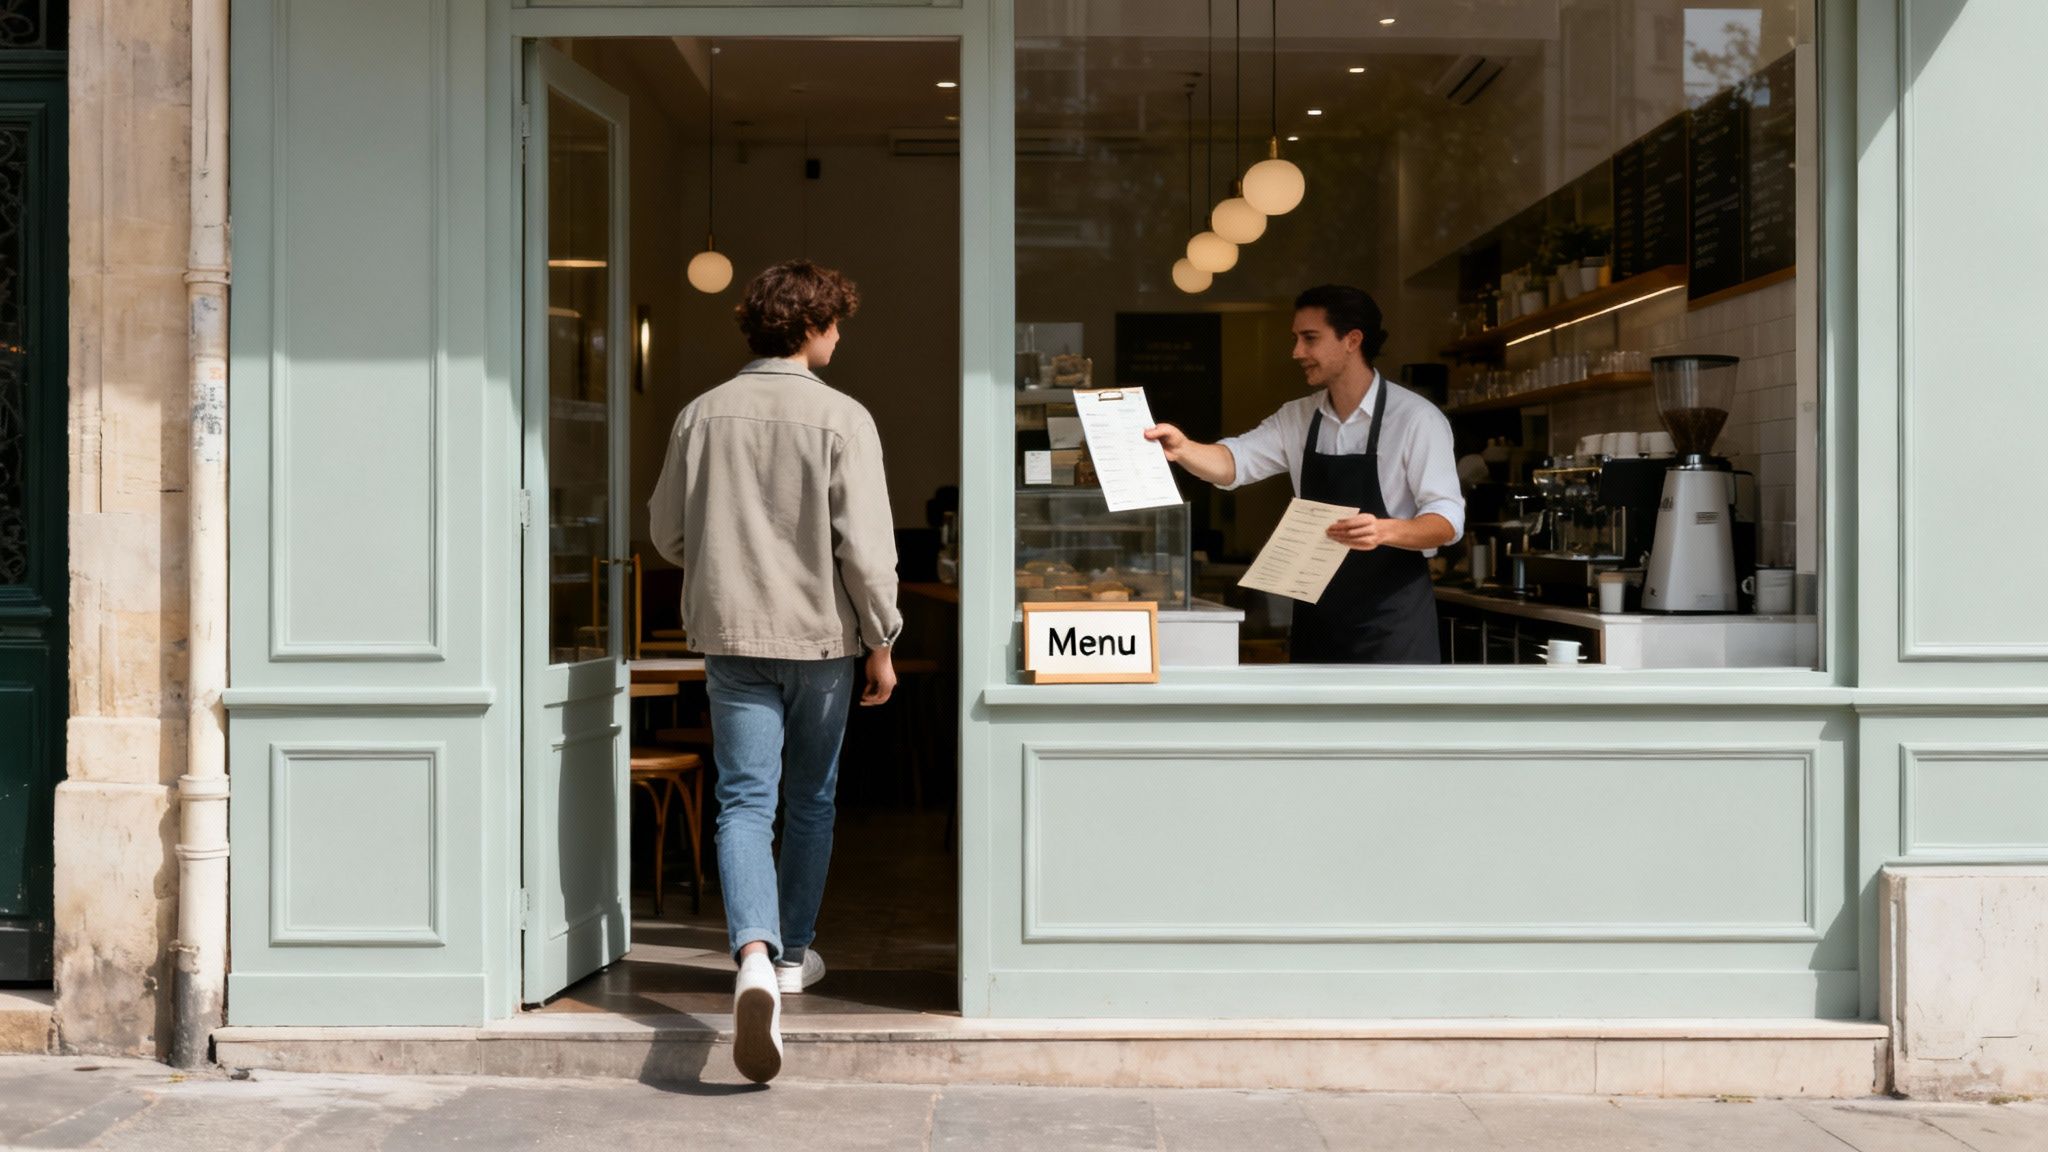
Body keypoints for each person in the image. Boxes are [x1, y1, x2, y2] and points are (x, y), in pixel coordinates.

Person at [647, 260, 901, 1084]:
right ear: (813, 328)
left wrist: (720, 560)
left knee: (743, 800)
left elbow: (666, 534)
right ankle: (791, 956)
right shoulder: (843, 419)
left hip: (731, 637)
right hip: (820, 643)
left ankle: (750, 956)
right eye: (837, 324)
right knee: (810, 799)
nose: (841, 336)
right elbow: (865, 552)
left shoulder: (699, 415)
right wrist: (883, 640)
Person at [1145, 285, 1462, 664]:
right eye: (1296, 339)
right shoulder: (1298, 417)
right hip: (1317, 616)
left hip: (1391, 623)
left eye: (1309, 339)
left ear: (1352, 340)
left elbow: (1446, 520)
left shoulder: (1416, 419)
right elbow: (1235, 462)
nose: (1297, 352)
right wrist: (1183, 449)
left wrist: (1383, 530)